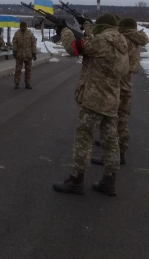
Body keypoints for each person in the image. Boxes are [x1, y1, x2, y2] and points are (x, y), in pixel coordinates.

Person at [53, 13, 129, 197]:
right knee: (111, 142)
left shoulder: (101, 42)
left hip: (94, 100)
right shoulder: (122, 44)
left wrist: (64, 30)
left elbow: (74, 48)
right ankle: (109, 181)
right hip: (112, 100)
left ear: (102, 27)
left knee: (83, 139)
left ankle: (76, 180)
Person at [91, 17, 149, 166]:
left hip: (116, 83)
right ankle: (121, 151)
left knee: (111, 119)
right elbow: (135, 67)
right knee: (122, 119)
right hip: (127, 84)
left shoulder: (122, 39)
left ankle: (110, 155)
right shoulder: (136, 40)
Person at [12, 21, 38, 89]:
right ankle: (16, 83)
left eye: (24, 26)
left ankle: (27, 83)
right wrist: (14, 51)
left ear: (26, 26)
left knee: (28, 70)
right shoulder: (17, 34)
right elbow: (14, 43)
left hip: (28, 55)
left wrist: (34, 53)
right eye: (21, 26)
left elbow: (33, 44)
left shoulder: (30, 34)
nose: (22, 28)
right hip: (19, 55)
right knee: (18, 70)